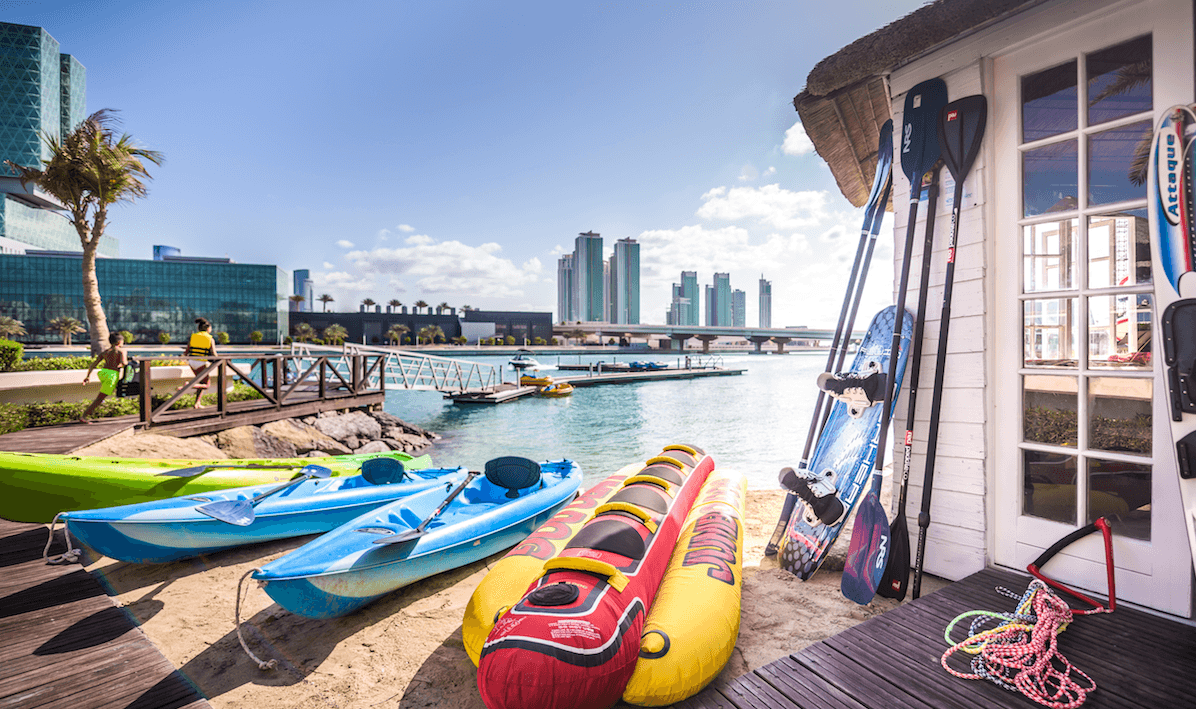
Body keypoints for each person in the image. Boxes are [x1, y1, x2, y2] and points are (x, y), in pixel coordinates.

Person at [80, 333, 127, 423]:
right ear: (119, 342)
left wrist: (87, 376)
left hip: (104, 373)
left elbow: (93, 364)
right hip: (112, 375)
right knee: (100, 398)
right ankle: (84, 416)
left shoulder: (106, 352)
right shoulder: (121, 351)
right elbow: (124, 362)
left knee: (111, 391)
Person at [185, 317, 218, 408]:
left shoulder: (193, 336)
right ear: (208, 329)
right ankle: (188, 385)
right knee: (206, 384)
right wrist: (219, 360)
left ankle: (197, 403)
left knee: (201, 382)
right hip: (201, 363)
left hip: (192, 362)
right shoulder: (210, 338)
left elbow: (186, 352)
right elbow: (214, 354)